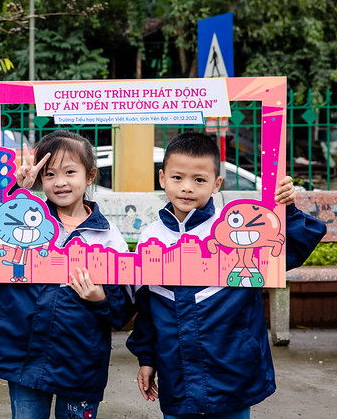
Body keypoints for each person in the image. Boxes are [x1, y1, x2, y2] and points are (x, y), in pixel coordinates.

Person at [126, 132, 327, 419]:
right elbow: (147, 308)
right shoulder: (150, 238)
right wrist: (147, 359)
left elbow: (289, 248)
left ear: (216, 183)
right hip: (176, 376)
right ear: (162, 178)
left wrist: (287, 210)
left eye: (199, 179)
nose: (187, 188)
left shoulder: (236, 231)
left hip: (232, 370)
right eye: (177, 177)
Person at [0, 130, 133, 419]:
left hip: (80, 365)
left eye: (70, 172)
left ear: (89, 176)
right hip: (25, 359)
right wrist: (13, 186)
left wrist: (100, 297)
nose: (60, 182)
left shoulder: (108, 237)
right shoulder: (22, 219)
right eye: (49, 174)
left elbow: (122, 308)